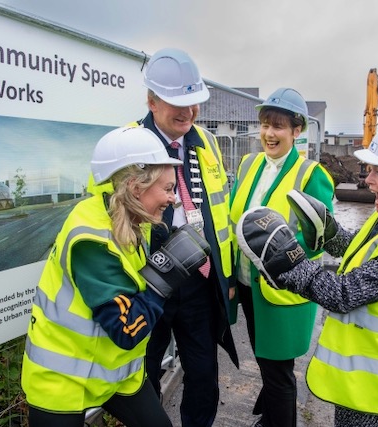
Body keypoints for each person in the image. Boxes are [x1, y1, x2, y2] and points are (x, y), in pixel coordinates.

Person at [236, 117, 378, 427]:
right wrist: (331, 232)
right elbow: (364, 253)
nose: (368, 180)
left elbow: (344, 293)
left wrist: (291, 261)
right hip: (375, 386)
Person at [21, 126, 212, 427]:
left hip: (117, 371)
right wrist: (164, 277)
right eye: (167, 189)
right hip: (63, 378)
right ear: (136, 187)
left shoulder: (131, 217)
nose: (174, 199)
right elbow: (127, 330)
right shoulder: (91, 242)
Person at [130, 48, 238, 427]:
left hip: (199, 280)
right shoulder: (130, 145)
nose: (188, 113)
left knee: (204, 374)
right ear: (152, 100)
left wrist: (226, 276)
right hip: (146, 281)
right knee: (141, 378)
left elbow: (221, 214)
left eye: (194, 103)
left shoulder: (206, 143)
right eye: (178, 103)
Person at [229, 87, 335, 427]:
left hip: (282, 290)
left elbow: (319, 240)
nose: (269, 134)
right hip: (249, 284)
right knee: (264, 360)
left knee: (279, 372)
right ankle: (272, 417)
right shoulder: (248, 164)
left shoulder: (311, 175)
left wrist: (280, 256)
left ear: (296, 131)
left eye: (278, 126)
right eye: (265, 125)